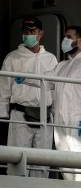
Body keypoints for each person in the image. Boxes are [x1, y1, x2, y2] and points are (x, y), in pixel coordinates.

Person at [0, 17, 58, 178]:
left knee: (42, 161)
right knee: (18, 159)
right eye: (25, 32)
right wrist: (3, 114)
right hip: (20, 114)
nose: (28, 35)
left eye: (32, 32)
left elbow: (54, 88)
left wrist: (55, 113)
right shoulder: (13, 57)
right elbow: (3, 87)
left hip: (44, 115)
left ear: (41, 34)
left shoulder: (51, 58)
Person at [52, 26, 81, 181]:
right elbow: (45, 80)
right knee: (65, 167)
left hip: (79, 122)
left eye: (68, 37)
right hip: (60, 123)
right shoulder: (61, 66)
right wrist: (25, 78)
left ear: (79, 40)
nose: (65, 40)